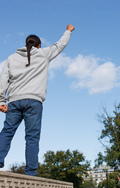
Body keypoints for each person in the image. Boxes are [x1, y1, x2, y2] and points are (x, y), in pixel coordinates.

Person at [0, 24, 75, 176]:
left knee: (7, 132)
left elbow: (3, 79)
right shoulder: (43, 54)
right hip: (34, 102)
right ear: (39, 46)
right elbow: (60, 45)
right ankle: (30, 173)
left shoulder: (12, 58)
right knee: (32, 137)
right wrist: (68, 31)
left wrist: (1, 101)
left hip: (14, 101)